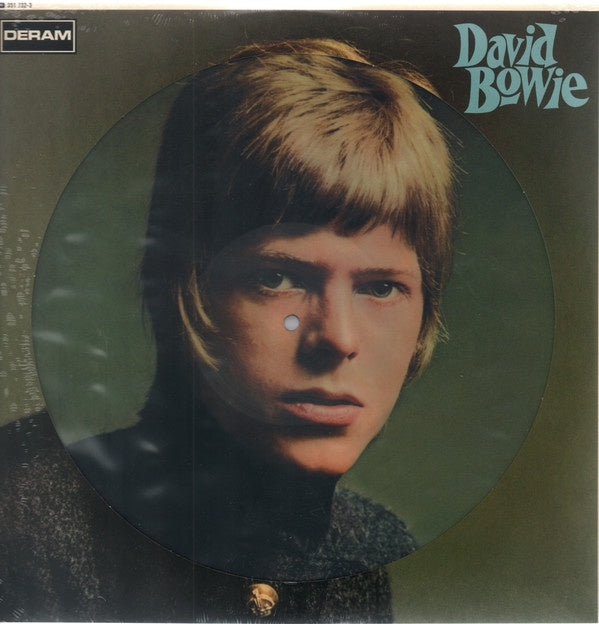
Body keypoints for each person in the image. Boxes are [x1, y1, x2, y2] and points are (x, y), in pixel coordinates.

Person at [2, 39, 455, 621]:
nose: (339, 339)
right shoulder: (24, 514)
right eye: (276, 278)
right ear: (181, 285)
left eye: (381, 287)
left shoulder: (363, 545)